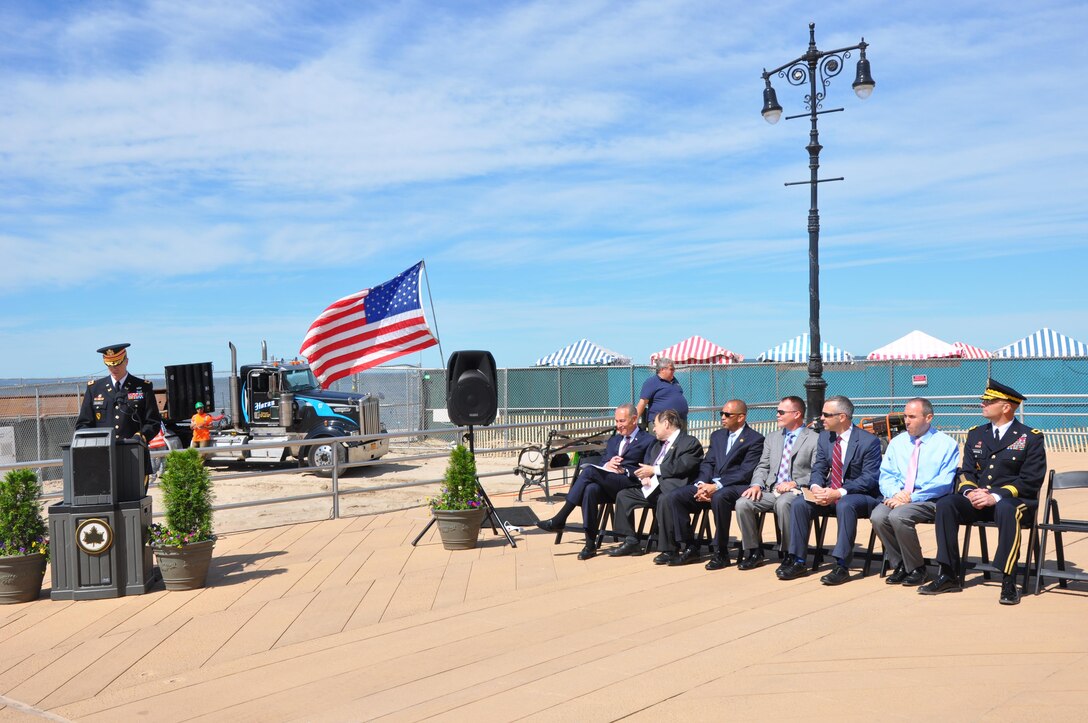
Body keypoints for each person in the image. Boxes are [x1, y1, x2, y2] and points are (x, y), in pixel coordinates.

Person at [919, 379, 1046, 605]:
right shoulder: (976, 434)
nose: (983, 404)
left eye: (989, 401)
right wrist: (970, 493)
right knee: (947, 504)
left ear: (1006, 406)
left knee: (1008, 509)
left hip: (1014, 502)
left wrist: (995, 496)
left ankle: (1008, 580)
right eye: (983, 400)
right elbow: (966, 472)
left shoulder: (1030, 437)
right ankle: (948, 574)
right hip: (979, 500)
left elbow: (1031, 480)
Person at [776, 395, 882, 585]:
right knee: (800, 503)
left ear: (842, 417)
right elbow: (819, 468)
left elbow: (869, 479)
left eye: (826, 414)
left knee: (845, 505)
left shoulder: (868, 442)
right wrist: (816, 488)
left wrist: (838, 492)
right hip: (829, 494)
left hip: (859, 496)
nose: (820, 418)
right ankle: (798, 560)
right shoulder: (826, 438)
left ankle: (841, 565)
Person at [536, 404, 654, 559]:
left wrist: (625, 470)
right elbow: (603, 461)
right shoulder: (614, 440)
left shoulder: (648, 440)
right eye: (616, 421)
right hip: (610, 483)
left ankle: (560, 518)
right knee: (590, 489)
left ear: (634, 419)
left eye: (622, 421)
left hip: (630, 484)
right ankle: (590, 544)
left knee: (589, 471)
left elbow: (647, 468)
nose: (618, 425)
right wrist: (608, 464)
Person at [664, 400, 764, 568]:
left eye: (727, 414)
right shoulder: (717, 436)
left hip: (737, 486)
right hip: (711, 484)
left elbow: (745, 472)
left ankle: (721, 551)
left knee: (720, 497)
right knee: (676, 496)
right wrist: (702, 483)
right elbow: (708, 463)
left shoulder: (754, 439)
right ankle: (689, 546)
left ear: (741, 417)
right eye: (721, 414)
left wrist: (717, 486)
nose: (722, 417)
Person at [871, 398, 959, 587]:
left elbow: (943, 483)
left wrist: (911, 497)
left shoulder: (946, 444)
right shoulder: (897, 443)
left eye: (912, 416)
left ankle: (917, 568)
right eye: (905, 416)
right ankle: (901, 563)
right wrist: (897, 494)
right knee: (878, 516)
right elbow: (886, 475)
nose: (906, 421)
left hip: (929, 499)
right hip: (900, 496)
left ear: (928, 417)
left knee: (899, 516)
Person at [734, 395, 818, 570]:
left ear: (796, 414)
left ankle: (790, 553)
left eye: (781, 412)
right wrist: (756, 484)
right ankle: (754, 551)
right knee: (743, 503)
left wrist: (795, 483)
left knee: (784, 503)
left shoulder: (814, 439)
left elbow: (818, 471)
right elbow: (762, 466)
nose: (777, 415)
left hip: (796, 492)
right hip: (771, 490)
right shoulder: (772, 438)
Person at [609, 409, 703, 563]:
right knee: (624, 495)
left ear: (666, 424)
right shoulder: (657, 445)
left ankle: (669, 549)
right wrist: (645, 476)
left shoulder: (689, 442)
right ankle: (630, 540)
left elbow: (684, 466)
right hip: (653, 487)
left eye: (656, 424)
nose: (653, 428)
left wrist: (654, 471)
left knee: (664, 499)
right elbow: (648, 465)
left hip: (674, 488)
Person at [75, 343, 162, 474]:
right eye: (109, 364)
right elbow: (83, 424)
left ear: (126, 361)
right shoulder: (95, 388)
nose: (114, 368)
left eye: (117, 363)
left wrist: (141, 436)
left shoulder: (143, 387)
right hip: (103, 460)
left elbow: (153, 422)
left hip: (135, 455)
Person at [636, 358, 688, 428]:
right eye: (671, 369)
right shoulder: (652, 382)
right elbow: (642, 402)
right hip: (662, 423)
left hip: (680, 421)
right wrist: (634, 420)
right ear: (662, 370)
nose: (674, 371)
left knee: (682, 439)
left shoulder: (675, 381)